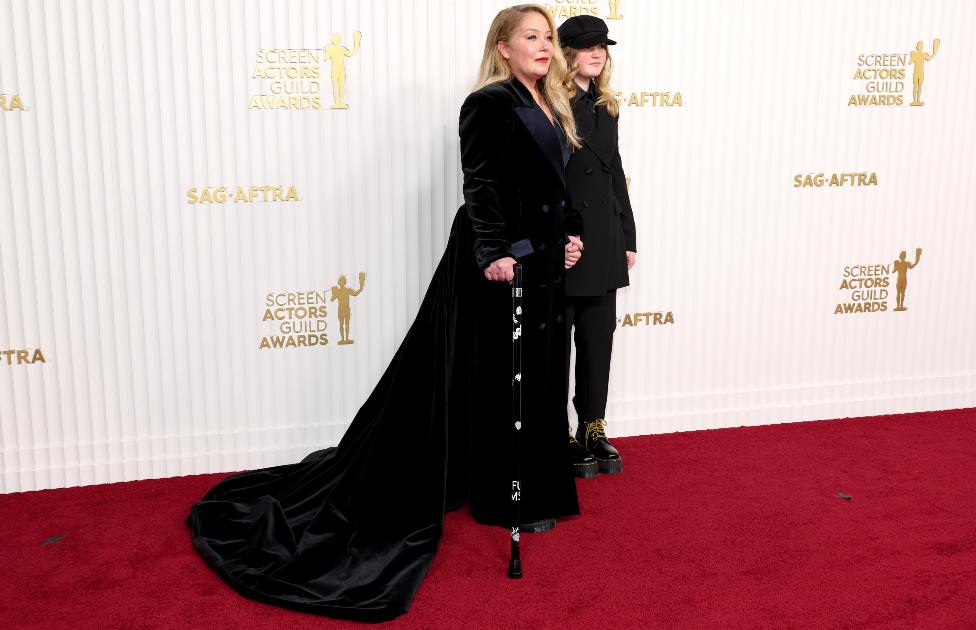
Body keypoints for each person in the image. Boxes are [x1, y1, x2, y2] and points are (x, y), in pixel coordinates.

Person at [186, 4, 583, 622]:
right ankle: (504, 497)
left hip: (543, 258)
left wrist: (573, 233)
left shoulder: (552, 104)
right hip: (502, 261)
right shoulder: (489, 103)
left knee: (541, 369)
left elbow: (558, 187)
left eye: (547, 36)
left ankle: (537, 483)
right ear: (501, 47)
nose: (543, 45)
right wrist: (490, 253)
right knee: (505, 374)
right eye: (529, 36)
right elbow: (479, 185)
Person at [557, 15, 637, 476]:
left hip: (604, 238)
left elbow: (615, 174)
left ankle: (592, 425)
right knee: (556, 346)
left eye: (602, 46)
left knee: (596, 341)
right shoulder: (553, 104)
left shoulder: (607, 106)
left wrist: (626, 235)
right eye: (587, 47)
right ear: (567, 54)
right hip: (568, 242)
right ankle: (557, 432)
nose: (597, 53)